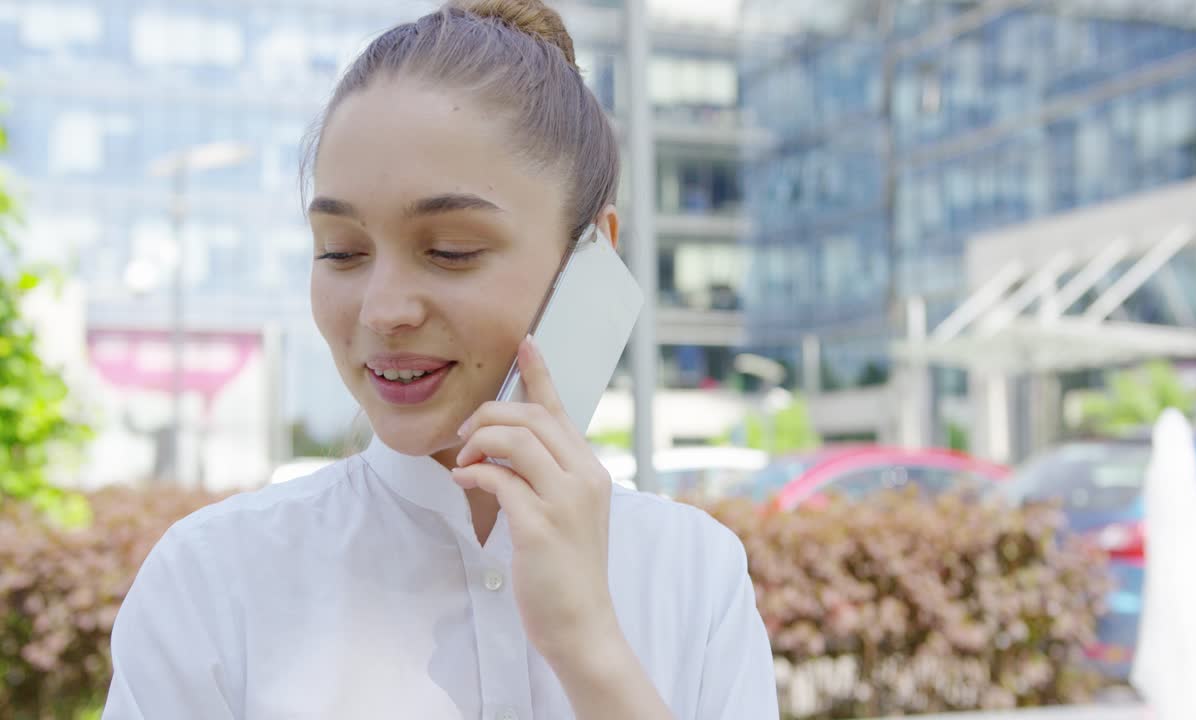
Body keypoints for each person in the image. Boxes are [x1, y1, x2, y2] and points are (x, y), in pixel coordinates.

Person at [102, 1, 779, 718]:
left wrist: (590, 650)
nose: (382, 309)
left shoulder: (694, 575)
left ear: (593, 258)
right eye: (342, 251)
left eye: (451, 251)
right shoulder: (212, 580)